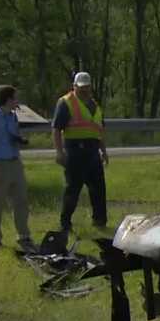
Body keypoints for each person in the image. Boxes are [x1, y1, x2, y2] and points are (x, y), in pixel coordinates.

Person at [0, 85, 34, 250]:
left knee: (21, 201)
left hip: (15, 162)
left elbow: (12, 135)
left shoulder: (12, 117)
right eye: (15, 98)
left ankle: (24, 235)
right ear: (8, 99)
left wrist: (19, 140)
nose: (17, 101)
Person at [52, 71, 108, 231]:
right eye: (81, 87)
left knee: (98, 190)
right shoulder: (65, 102)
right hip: (75, 151)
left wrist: (104, 151)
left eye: (87, 87)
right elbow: (56, 129)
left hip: (93, 152)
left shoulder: (95, 106)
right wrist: (59, 152)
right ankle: (65, 222)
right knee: (73, 190)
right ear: (74, 86)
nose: (84, 90)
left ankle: (100, 220)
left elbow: (100, 130)